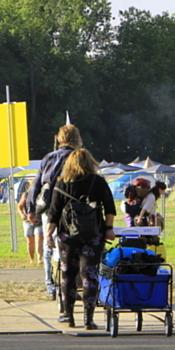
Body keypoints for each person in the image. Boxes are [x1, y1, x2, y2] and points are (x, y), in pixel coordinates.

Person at [45, 148, 116, 330]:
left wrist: (48, 235)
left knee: (68, 274)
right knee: (89, 274)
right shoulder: (98, 182)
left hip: (67, 235)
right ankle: (88, 318)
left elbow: (53, 212)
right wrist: (108, 228)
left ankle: (68, 314)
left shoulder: (62, 183)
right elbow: (109, 207)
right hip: (93, 234)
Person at [26, 124, 82, 301]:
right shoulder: (79, 157)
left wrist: (31, 208)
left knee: (49, 244)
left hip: (49, 209)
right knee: (73, 246)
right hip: (73, 208)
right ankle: (70, 284)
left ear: (59, 139)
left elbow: (36, 185)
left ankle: (51, 285)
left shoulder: (49, 158)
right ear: (78, 139)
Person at [17, 189, 43, 265]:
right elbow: (20, 206)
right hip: (27, 221)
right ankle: (31, 259)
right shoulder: (26, 194)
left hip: (39, 220)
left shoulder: (42, 194)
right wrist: (22, 214)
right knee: (30, 240)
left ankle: (39, 259)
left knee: (39, 238)